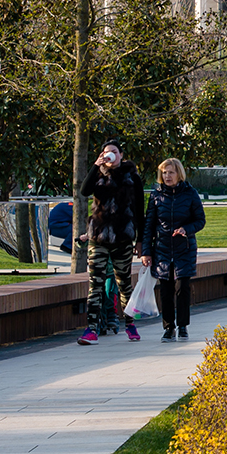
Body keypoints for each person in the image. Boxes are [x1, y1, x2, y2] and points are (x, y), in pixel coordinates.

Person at [78, 142, 145, 345]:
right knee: (95, 283)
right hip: (98, 236)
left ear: (121, 155)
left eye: (114, 152)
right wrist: (95, 166)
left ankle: (130, 323)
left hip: (122, 237)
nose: (110, 156)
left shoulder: (132, 177)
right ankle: (91, 328)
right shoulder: (98, 174)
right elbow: (84, 191)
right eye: (107, 152)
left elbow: (140, 210)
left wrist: (140, 240)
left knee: (123, 282)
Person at [137, 158, 205, 342]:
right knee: (165, 290)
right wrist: (146, 251)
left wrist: (186, 230)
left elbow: (200, 220)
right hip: (162, 248)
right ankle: (169, 328)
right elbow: (149, 225)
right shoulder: (156, 195)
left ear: (179, 174)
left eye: (171, 172)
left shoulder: (190, 193)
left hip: (185, 248)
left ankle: (183, 326)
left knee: (182, 288)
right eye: (164, 172)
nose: (167, 176)